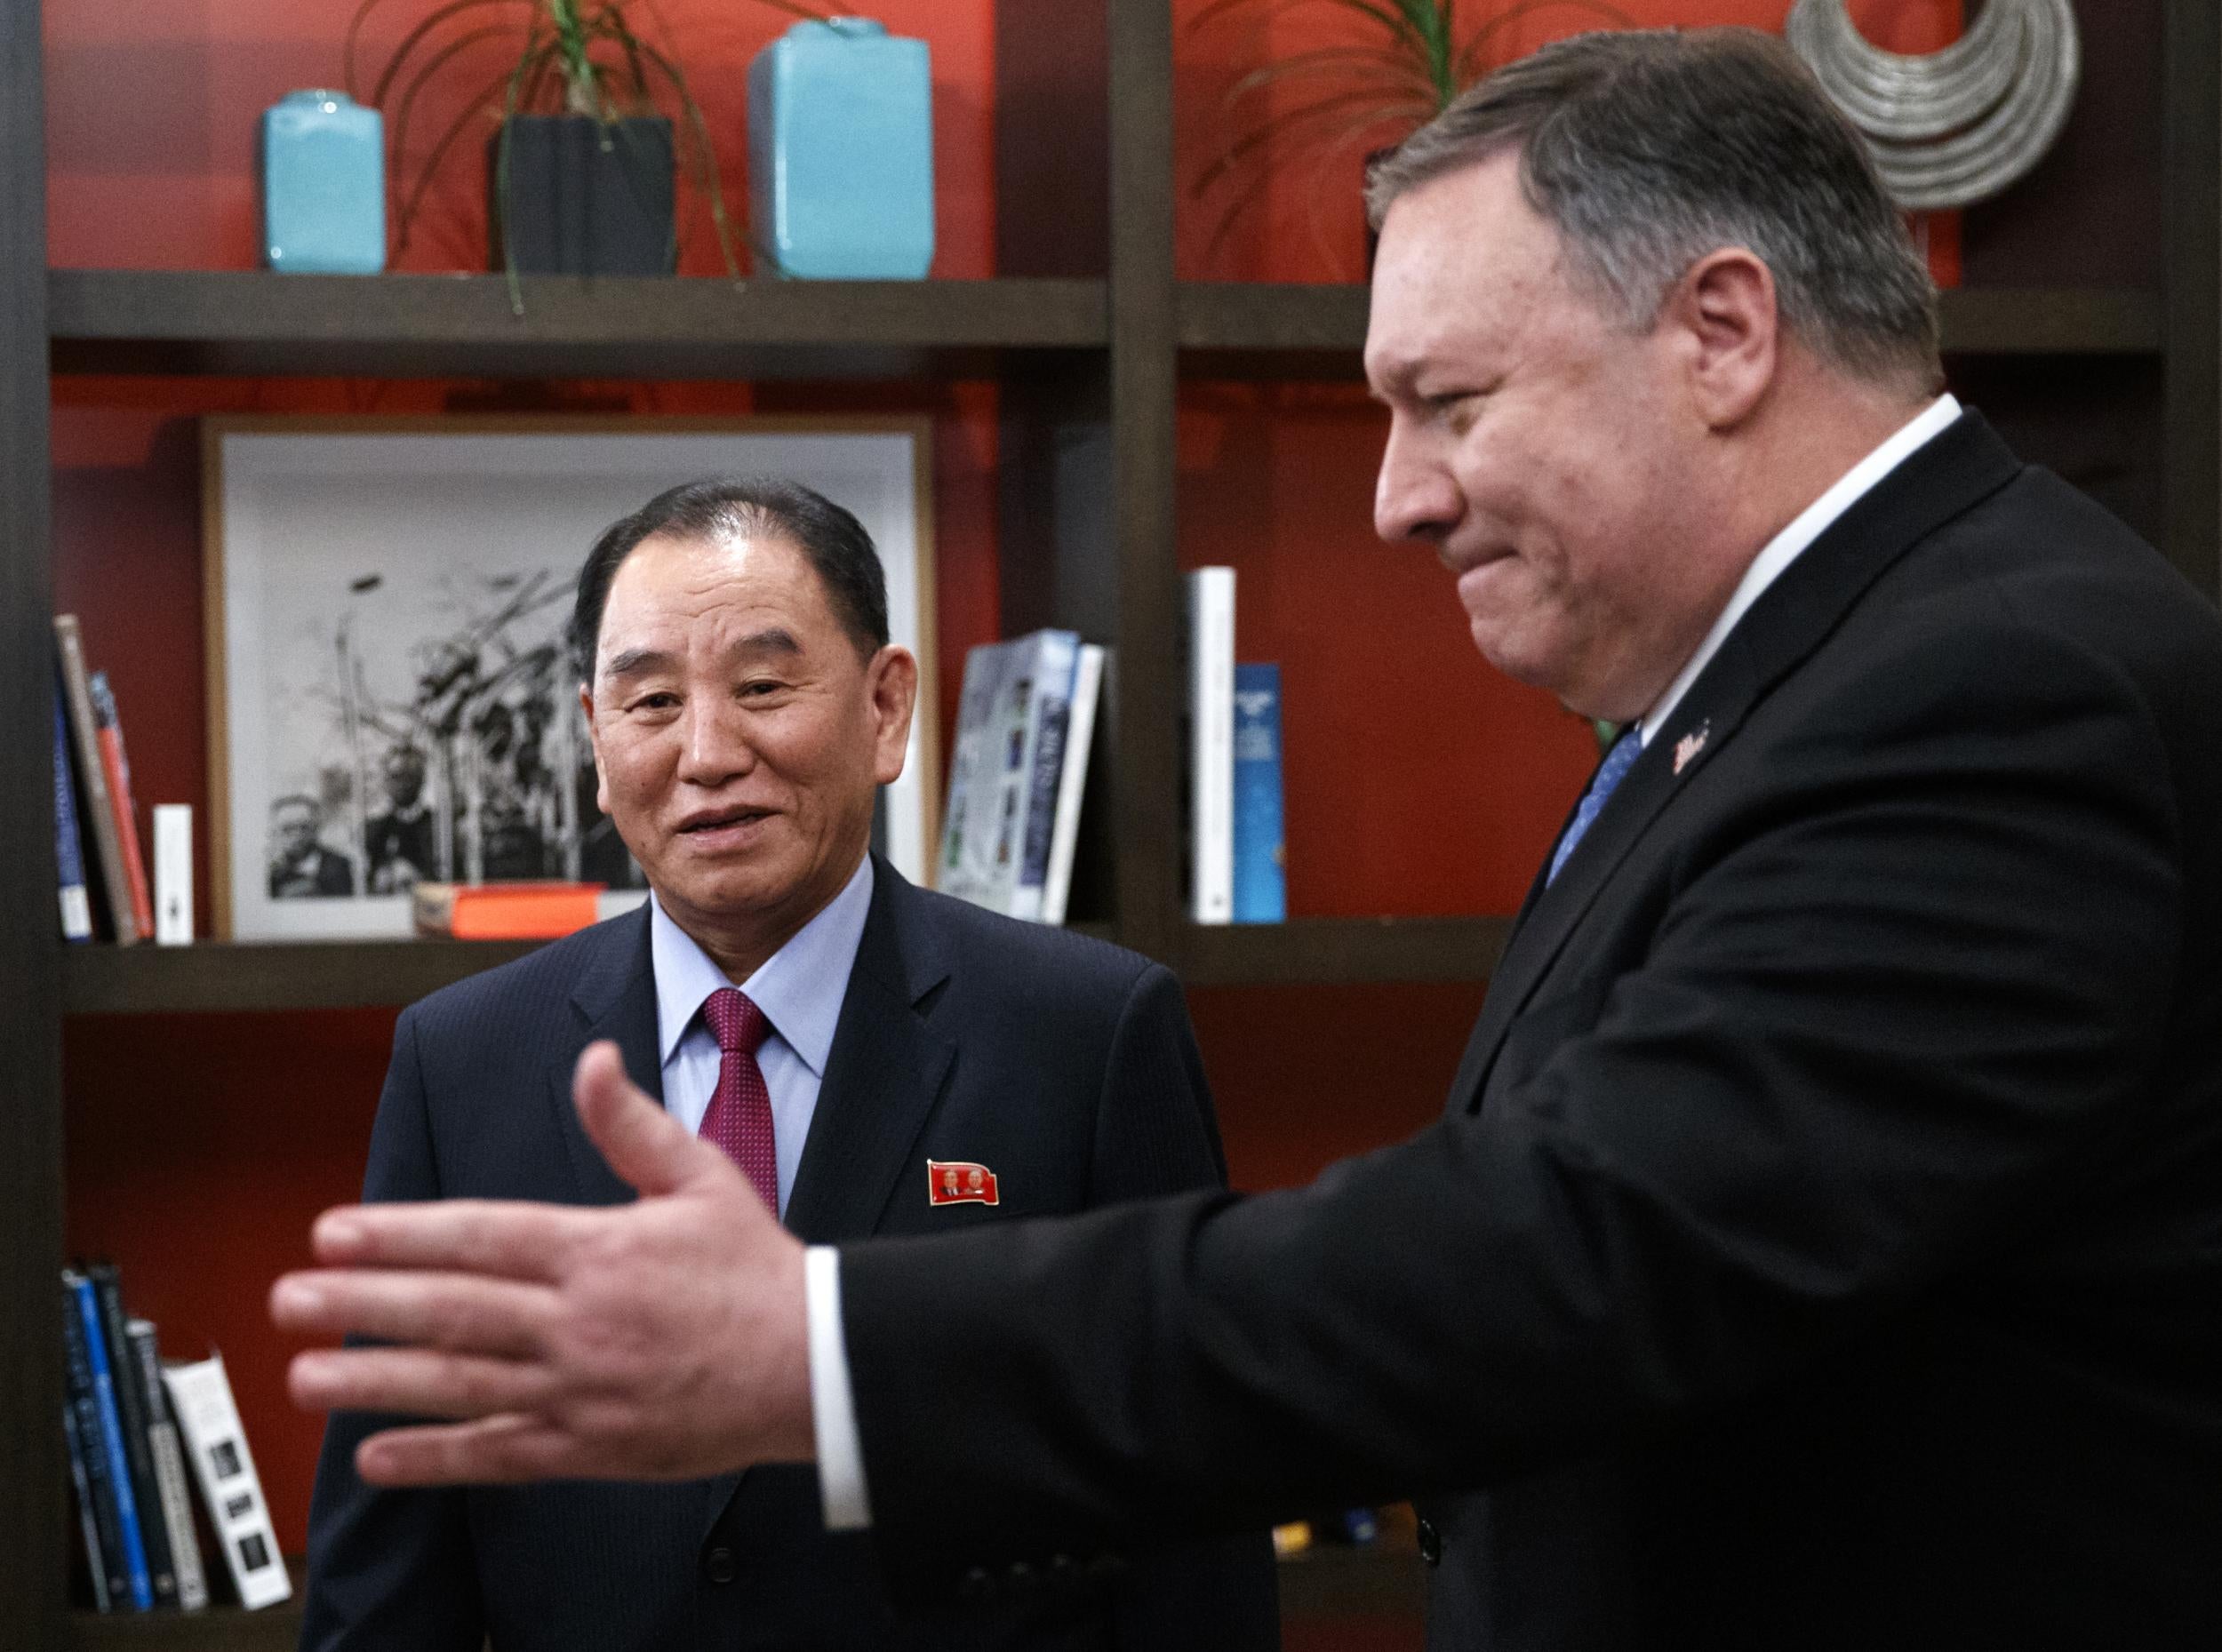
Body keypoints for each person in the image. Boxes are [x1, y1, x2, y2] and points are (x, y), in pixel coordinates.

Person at [275, 28, 2222, 1651]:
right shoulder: (1794, 686)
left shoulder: (1989, 692)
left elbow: (1572, 1246)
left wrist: (823, 1342)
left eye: (1441, 400)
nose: (1393, 497)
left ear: (1721, 329)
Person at [294, 478, 1278, 1652]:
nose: (708, 752)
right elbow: (384, 1572)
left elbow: (1194, 1529)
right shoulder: (463, 1061)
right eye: (650, 699)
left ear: (886, 707)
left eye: (763, 686)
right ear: (596, 746)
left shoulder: (1089, 1035)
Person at [364, 745, 436, 894]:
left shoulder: (439, 828)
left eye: (410, 776)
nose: (403, 784)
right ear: (386, 780)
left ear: (422, 779)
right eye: (395, 776)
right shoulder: (373, 830)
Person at [268, 794, 356, 898]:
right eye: (288, 829)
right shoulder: (272, 874)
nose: (297, 835)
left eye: (304, 827)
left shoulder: (342, 867)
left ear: (316, 828)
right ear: (275, 833)